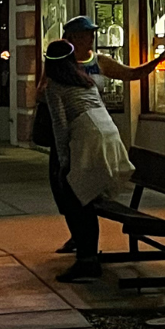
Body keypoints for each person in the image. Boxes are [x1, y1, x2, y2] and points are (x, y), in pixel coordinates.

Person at [47, 15, 165, 256]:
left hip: (86, 136)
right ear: (71, 39)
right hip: (84, 133)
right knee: (68, 191)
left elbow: (130, 74)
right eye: (86, 34)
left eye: (92, 33)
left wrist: (155, 63)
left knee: (79, 193)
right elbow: (48, 100)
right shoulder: (65, 69)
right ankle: (80, 239)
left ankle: (86, 251)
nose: (92, 38)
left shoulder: (98, 62)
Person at [39, 38, 134, 282]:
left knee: (76, 198)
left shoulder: (54, 87)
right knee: (84, 196)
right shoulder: (86, 81)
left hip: (86, 133)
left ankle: (87, 260)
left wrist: (62, 162)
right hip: (107, 131)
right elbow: (99, 107)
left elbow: (60, 126)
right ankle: (87, 256)